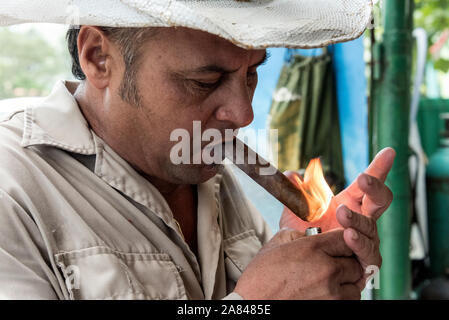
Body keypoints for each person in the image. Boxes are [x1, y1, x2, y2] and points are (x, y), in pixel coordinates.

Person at [0, 0, 393, 300]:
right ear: (98, 57)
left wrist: (313, 255)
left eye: (251, 73)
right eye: (205, 81)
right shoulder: (13, 191)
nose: (243, 113)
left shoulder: (210, 174)